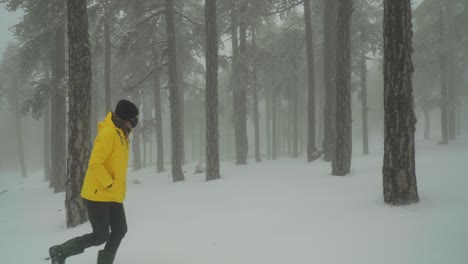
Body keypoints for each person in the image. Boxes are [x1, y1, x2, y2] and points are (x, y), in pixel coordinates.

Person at [49, 99, 139, 264]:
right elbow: (95, 163)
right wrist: (109, 183)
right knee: (100, 236)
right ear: (126, 118)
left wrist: (116, 187)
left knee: (120, 230)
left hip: (113, 195)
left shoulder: (123, 135)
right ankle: (60, 251)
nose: (136, 121)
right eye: (134, 118)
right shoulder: (109, 133)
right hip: (98, 194)